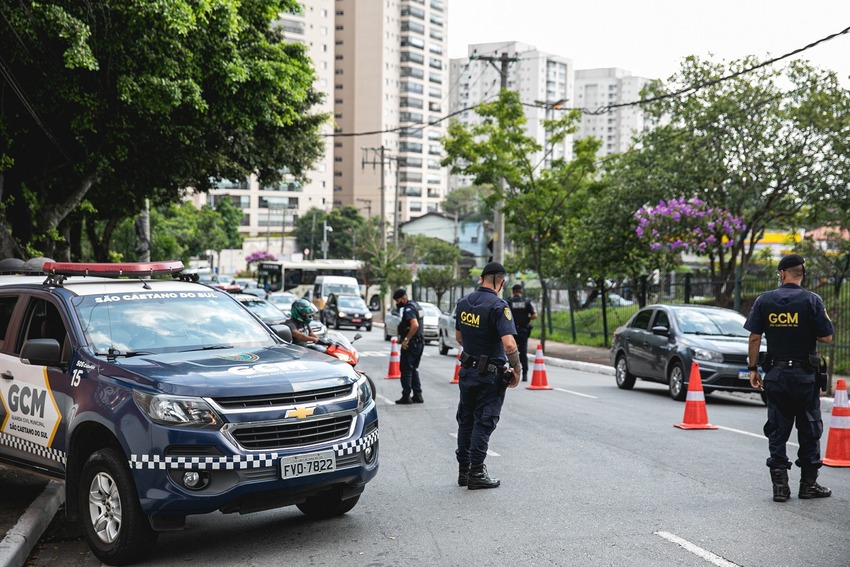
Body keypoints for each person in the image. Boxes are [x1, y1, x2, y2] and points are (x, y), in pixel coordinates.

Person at [744, 253, 834, 503]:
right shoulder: (812, 300)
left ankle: (780, 488)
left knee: (777, 429)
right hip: (805, 377)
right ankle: (808, 485)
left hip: (776, 375)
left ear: (783, 274)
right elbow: (826, 337)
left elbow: (754, 337)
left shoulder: (765, 300)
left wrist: (753, 368)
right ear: (801, 274)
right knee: (809, 428)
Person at [454, 262, 521, 489]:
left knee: (466, 421)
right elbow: (509, 344)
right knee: (484, 422)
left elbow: (459, 338)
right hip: (489, 375)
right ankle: (476, 474)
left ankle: (463, 472)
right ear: (501, 281)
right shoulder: (498, 306)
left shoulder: (463, 303)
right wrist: (517, 370)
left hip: (467, 372)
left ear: (482, 278)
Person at [393, 288, 425, 404]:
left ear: (403, 298)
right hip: (420, 342)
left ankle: (406, 396)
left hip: (411, 344)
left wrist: (406, 339)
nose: (397, 303)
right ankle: (418, 395)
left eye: (397, 300)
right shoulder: (416, 305)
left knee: (406, 369)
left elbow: (414, 325)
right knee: (413, 369)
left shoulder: (408, 308)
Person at [508, 284, 538, 381]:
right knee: (523, 352)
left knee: (512, 352)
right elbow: (534, 315)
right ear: (521, 291)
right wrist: (527, 318)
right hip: (523, 330)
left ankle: (511, 374)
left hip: (512, 331)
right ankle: (524, 374)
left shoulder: (509, 302)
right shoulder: (526, 302)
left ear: (513, 291)